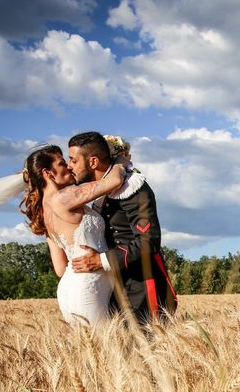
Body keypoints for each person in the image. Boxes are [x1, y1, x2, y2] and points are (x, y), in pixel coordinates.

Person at [66, 132, 178, 324]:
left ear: (93, 162)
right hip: (110, 285)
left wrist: (101, 260)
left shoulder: (134, 187)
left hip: (142, 284)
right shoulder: (99, 190)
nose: (69, 166)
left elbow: (148, 241)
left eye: (73, 161)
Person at [19, 144, 129, 325]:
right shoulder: (64, 197)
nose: (69, 166)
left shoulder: (43, 213)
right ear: (48, 173)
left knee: (94, 351)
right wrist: (120, 161)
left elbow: (61, 269)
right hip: (88, 288)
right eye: (62, 163)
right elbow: (115, 180)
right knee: (108, 347)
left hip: (69, 290)